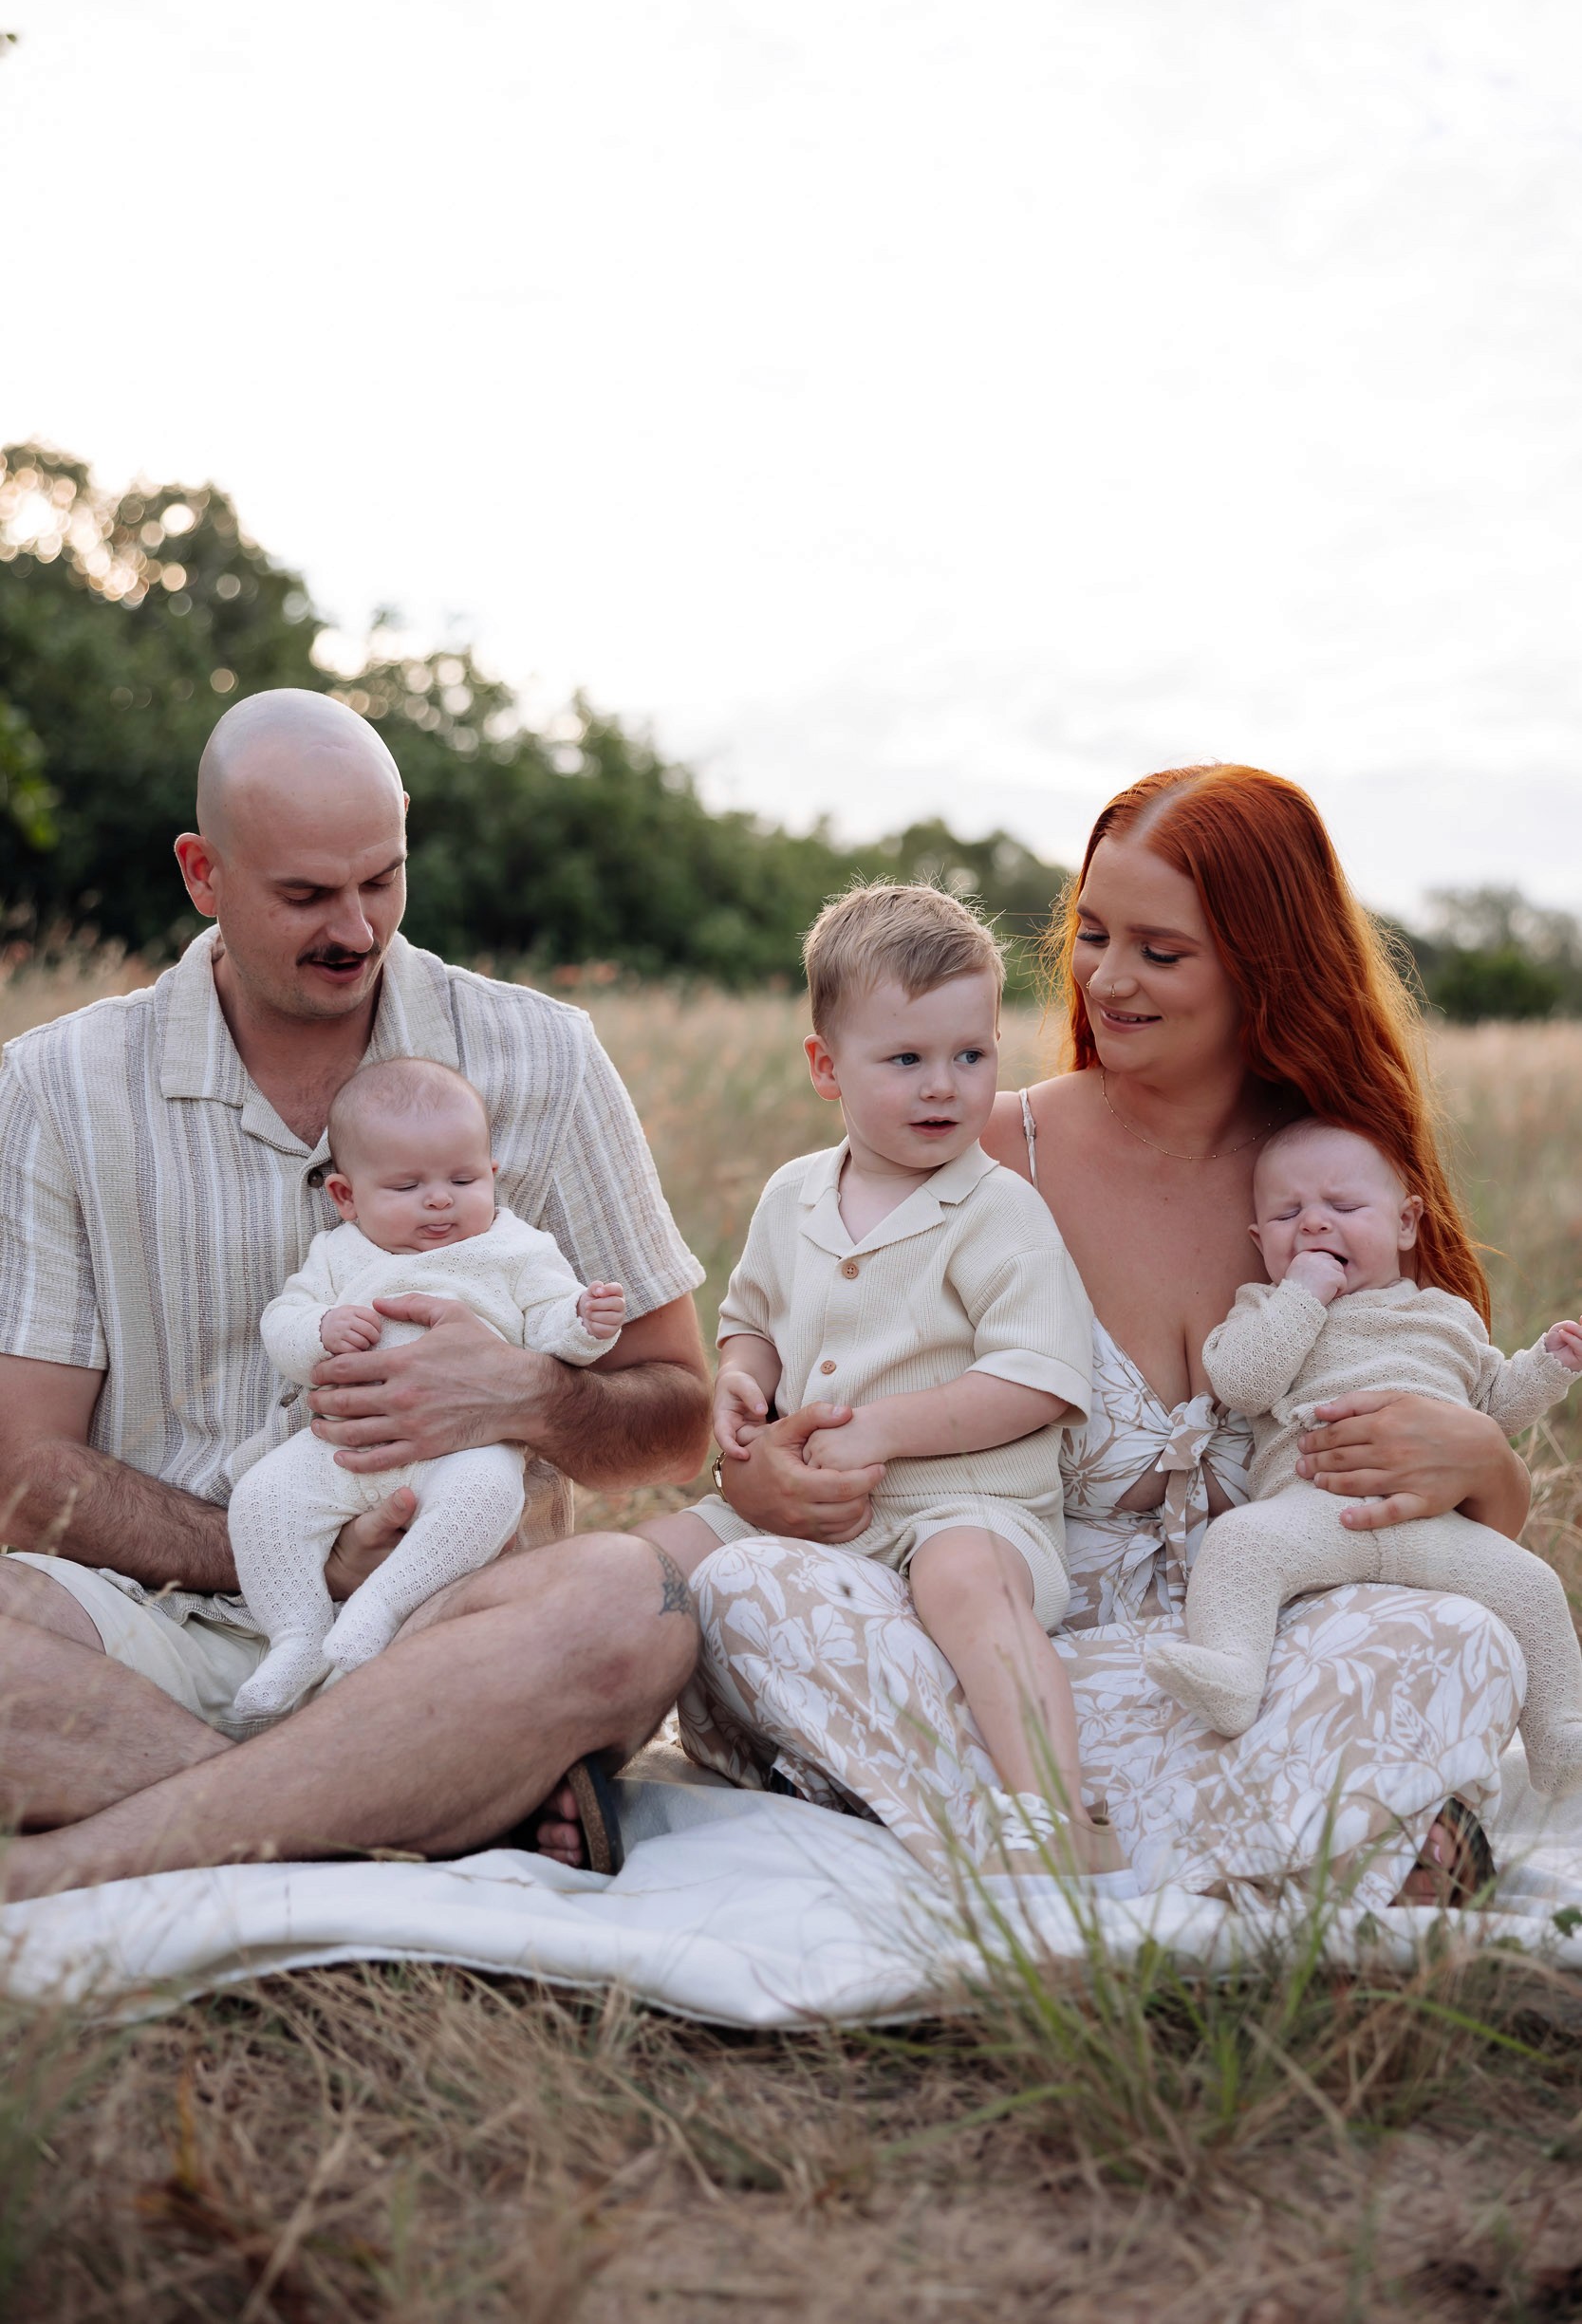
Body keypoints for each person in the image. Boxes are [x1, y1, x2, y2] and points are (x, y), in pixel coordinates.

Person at [663, 766, 1535, 1907]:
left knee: (1454, 1640)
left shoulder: (1333, 1179)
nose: (1107, 979)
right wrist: (763, 1460)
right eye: (1089, 934)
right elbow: (793, 1366)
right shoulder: (973, 1151)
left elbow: (1454, 1536)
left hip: (1248, 1674)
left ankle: (1123, 1845)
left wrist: (1483, 1462)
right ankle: (1282, 1849)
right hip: (999, 1657)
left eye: (1158, 952)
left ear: (1260, 965)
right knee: (753, 1600)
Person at [0, 689, 710, 1898]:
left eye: (381, 880)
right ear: (202, 873)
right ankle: (399, 1810)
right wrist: (293, 1562)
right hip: (141, 1624)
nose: (356, 926)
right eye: (306, 895)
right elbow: (25, 1473)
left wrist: (533, 1397)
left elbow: (679, 1417)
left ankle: (97, 1846)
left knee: (636, 1601)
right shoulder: (56, 1085)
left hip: (444, 1624)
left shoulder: (542, 1056)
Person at [633, 883, 1110, 1871]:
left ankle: (1055, 1812)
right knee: (645, 1570)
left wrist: (888, 1430)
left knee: (965, 1583)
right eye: (905, 1060)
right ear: (825, 1067)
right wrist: (739, 1379)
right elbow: (753, 1322)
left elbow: (1039, 1376)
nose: (944, 1087)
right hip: (802, 1498)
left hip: (960, 1503)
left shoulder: (996, 1210)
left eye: (969, 1056)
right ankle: (570, 1763)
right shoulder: (792, 1193)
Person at [1148, 1117, 1582, 1784]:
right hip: (1313, 1510)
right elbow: (1241, 1383)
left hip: (1435, 1525)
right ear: (1258, 1241)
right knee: (1239, 1544)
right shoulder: (1266, 1307)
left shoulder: (1447, 1315)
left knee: (1533, 1587)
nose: (1315, 1225)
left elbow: (1492, 1406)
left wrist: (1548, 1365)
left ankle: (1559, 1740)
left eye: (1343, 1208)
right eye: (1288, 1214)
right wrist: (1301, 1296)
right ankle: (1231, 1671)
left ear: (1405, 1223)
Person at [227, 1056, 628, 1720]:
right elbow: (283, 1324)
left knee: (486, 1499)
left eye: (463, 1178)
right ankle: (296, 1636)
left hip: (464, 1451)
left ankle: (380, 1608)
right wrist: (321, 1328)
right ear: (346, 1197)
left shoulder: (515, 1249)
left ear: (493, 1177)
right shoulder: (338, 1255)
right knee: (262, 1501)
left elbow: (551, 1322)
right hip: (340, 1450)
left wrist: (585, 1322)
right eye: (407, 1185)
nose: (440, 1199)